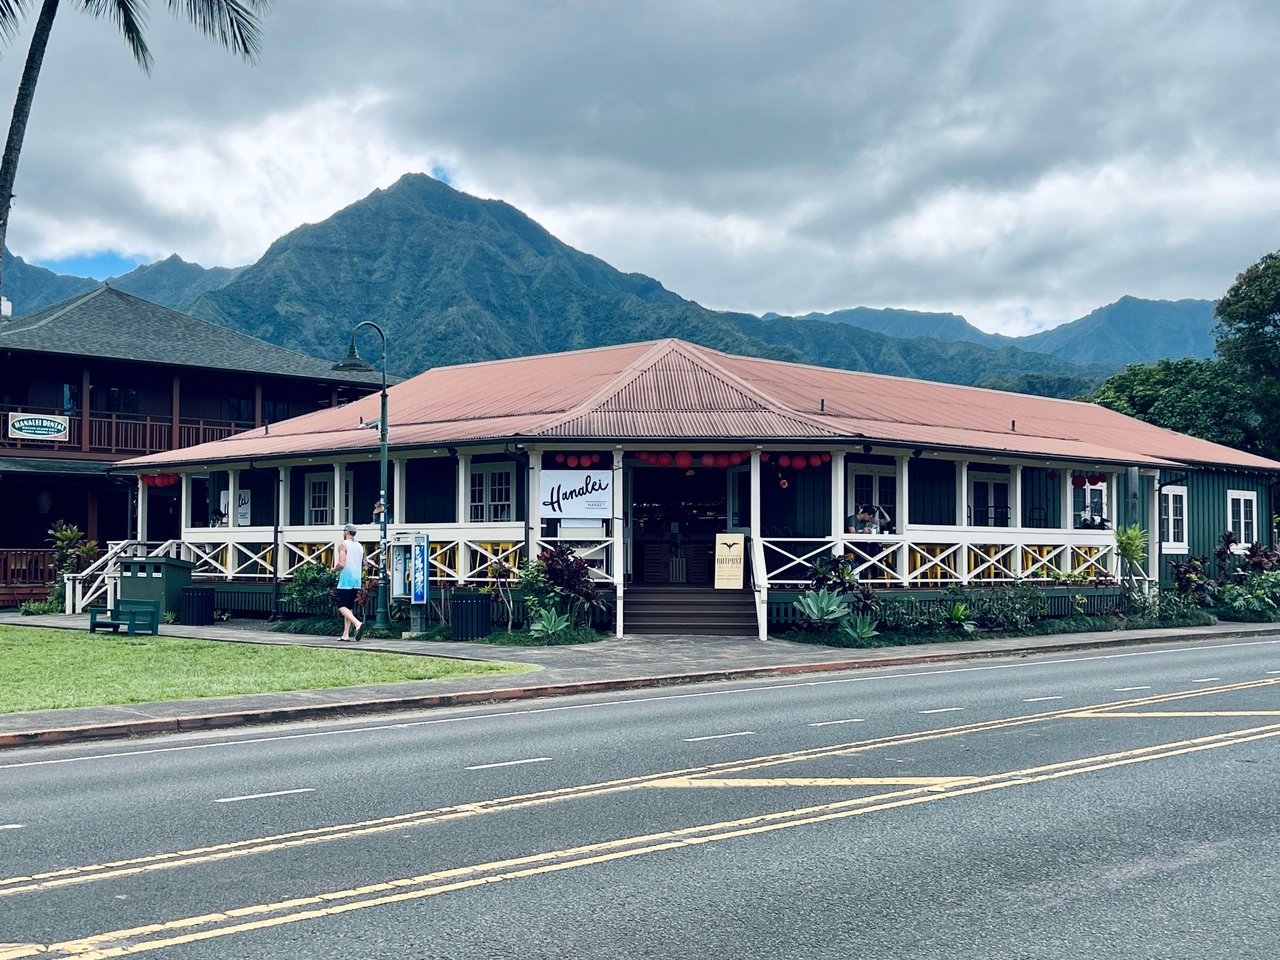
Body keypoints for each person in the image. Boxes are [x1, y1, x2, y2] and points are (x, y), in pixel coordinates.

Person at [333, 522, 366, 641]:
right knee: (348, 607)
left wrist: (333, 569)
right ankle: (345, 634)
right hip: (356, 579)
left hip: (346, 578)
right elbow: (364, 563)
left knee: (340, 605)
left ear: (346, 532)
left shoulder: (343, 544)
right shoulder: (359, 546)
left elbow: (341, 563)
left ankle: (357, 624)